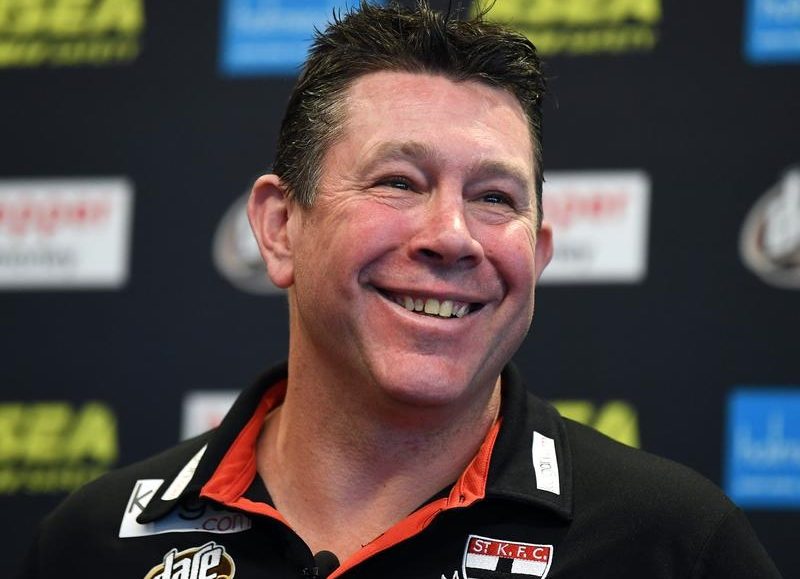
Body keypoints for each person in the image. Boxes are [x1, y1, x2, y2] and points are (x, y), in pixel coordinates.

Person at [20, 2, 782, 578]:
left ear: (539, 252)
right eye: (398, 181)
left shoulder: (671, 543)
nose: (452, 235)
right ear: (280, 228)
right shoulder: (93, 544)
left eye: (494, 197)